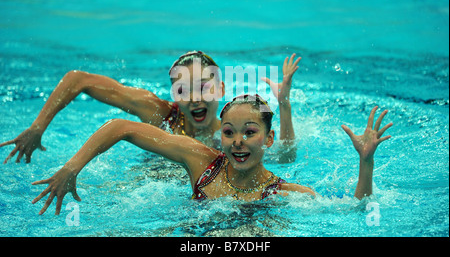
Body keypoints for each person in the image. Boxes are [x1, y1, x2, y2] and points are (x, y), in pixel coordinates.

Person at [31, 94, 392, 215]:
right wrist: (71, 168)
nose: (237, 141)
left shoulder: (281, 192)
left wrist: (366, 162)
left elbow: (355, 207)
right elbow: (120, 127)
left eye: (249, 133)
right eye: (230, 132)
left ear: (268, 141)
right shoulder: (202, 160)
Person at [1, 51, 301, 164]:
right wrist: (38, 126)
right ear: (173, 94)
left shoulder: (234, 129)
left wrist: (283, 106)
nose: (195, 98)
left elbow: (284, 156)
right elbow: (77, 80)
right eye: (184, 90)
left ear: (221, 89)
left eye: (203, 88)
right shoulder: (159, 113)